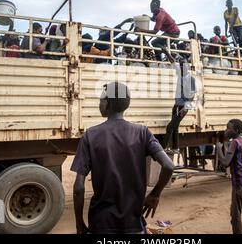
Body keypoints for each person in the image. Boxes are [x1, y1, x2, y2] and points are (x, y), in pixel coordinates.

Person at [71, 82, 174, 234]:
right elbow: (169, 166)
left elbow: (79, 188)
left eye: (101, 100)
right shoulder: (142, 133)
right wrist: (155, 194)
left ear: (108, 103)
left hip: (100, 224)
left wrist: (79, 225)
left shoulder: (90, 136)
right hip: (133, 224)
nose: (100, 104)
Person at [216, 119, 242, 234]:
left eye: (228, 128)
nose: (225, 130)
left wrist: (218, 149)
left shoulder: (234, 142)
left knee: (235, 214)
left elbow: (225, 163)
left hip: (240, 182)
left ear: (235, 130)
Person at [160, 46, 196, 151]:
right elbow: (172, 61)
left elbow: (192, 96)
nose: (182, 67)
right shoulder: (180, 73)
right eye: (181, 66)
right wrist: (166, 52)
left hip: (182, 107)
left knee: (169, 127)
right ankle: (175, 147)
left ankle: (163, 149)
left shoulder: (191, 79)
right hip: (176, 105)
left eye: (184, 66)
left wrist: (185, 109)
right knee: (175, 128)